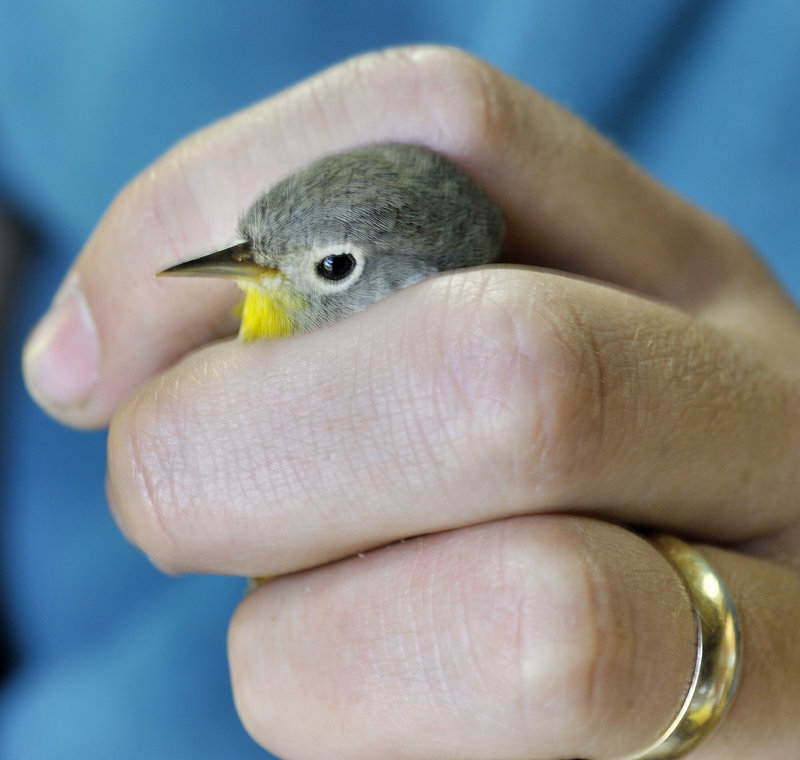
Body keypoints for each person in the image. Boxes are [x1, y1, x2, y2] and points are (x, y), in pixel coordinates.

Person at [3, 3, 800, 758]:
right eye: (254, 245)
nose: (245, 271)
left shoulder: (521, 424)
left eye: (332, 268)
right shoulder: (252, 336)